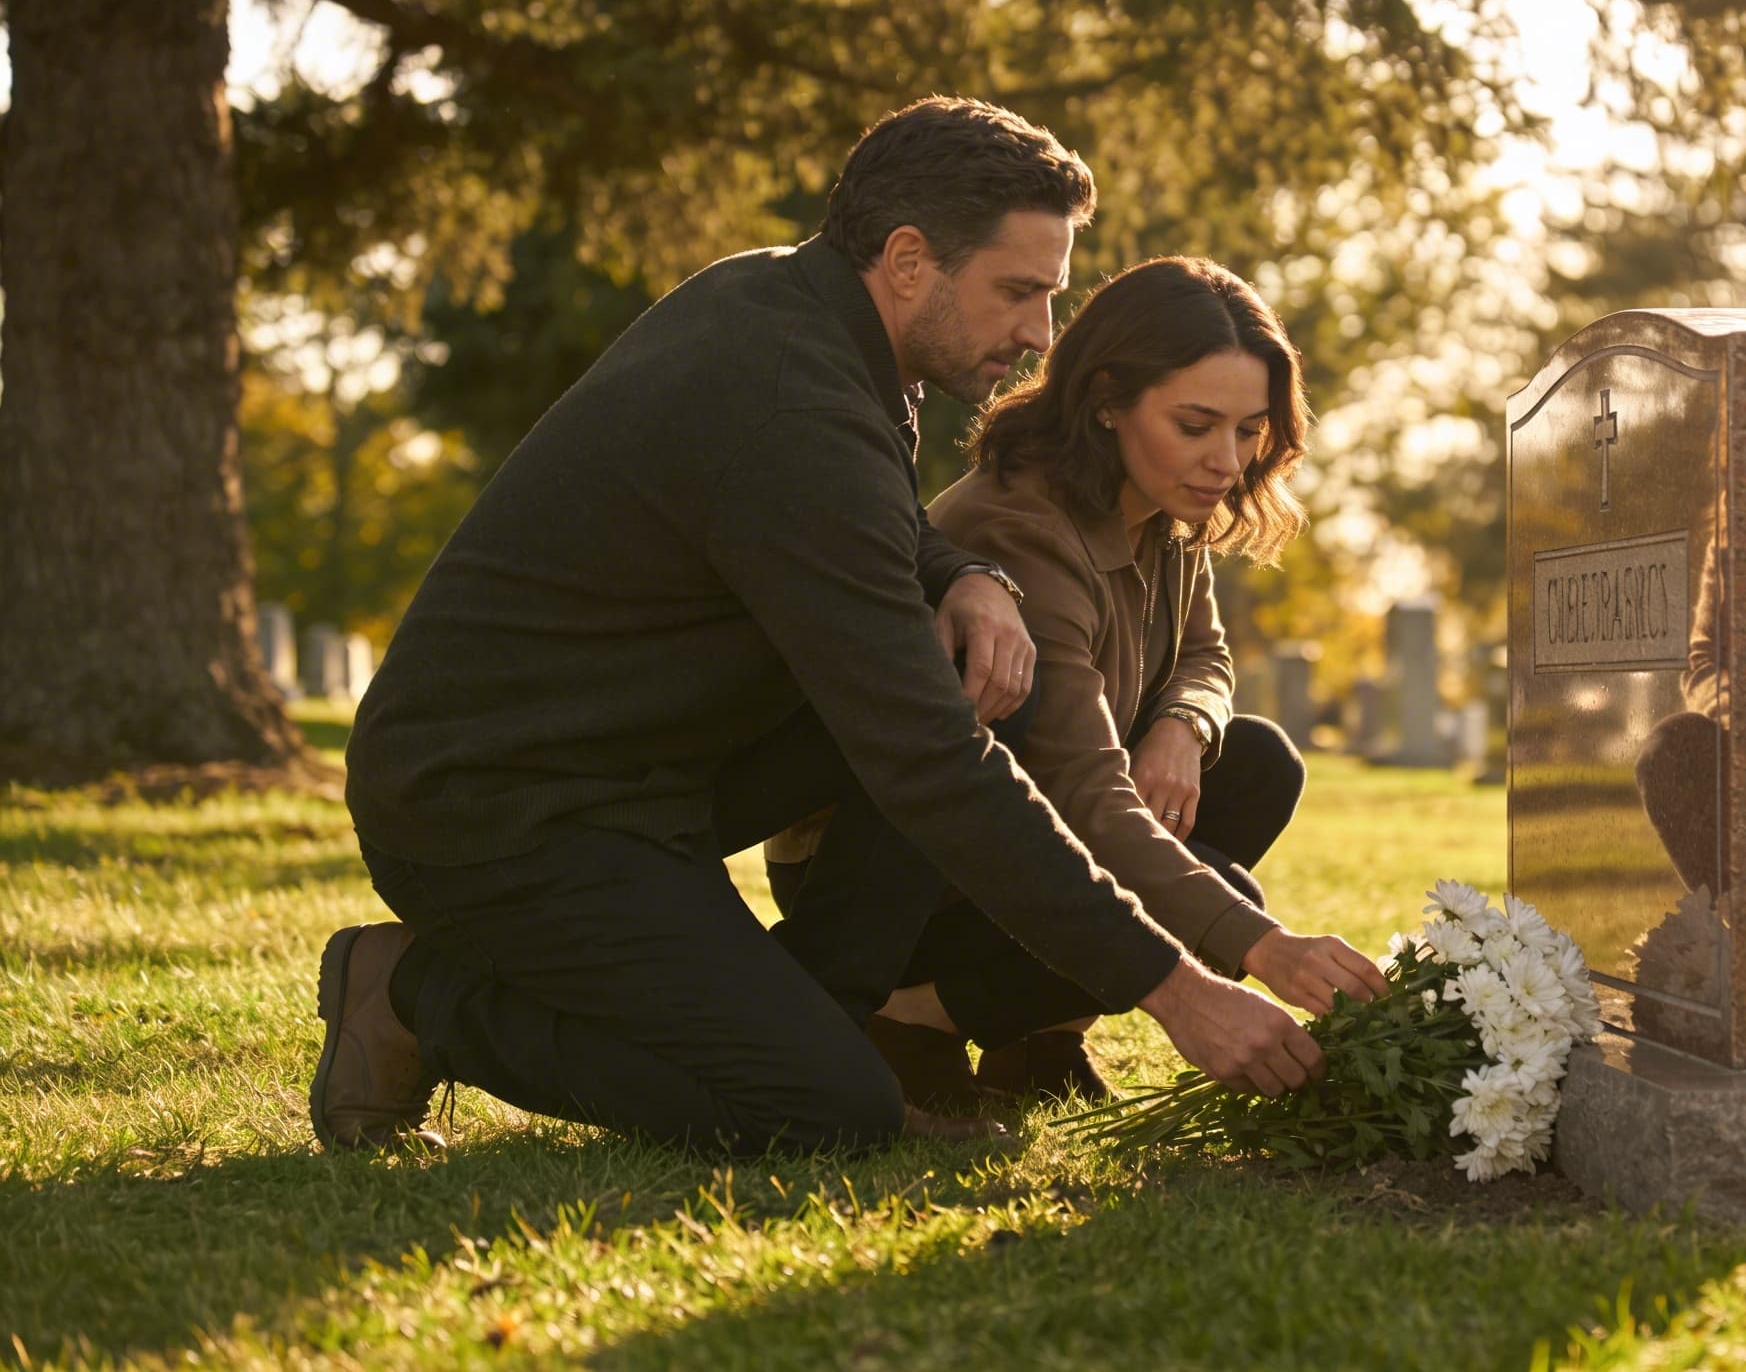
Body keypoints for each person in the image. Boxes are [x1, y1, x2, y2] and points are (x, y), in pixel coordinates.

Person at [313, 97, 1324, 1157]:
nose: (1038, 334)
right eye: (1018, 292)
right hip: (501, 805)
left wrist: (962, 570)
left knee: (975, 668)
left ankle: (836, 1004)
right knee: (817, 1106)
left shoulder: (802, 312)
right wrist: (1178, 989)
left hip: (653, 769)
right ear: (905, 257)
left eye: (1049, 294)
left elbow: (855, 515)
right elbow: (928, 756)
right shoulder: (793, 394)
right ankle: (414, 992)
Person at [765, 259, 1385, 1110]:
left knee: (1254, 761)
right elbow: (1084, 795)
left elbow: (1206, 658)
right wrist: (1264, 948)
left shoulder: (1166, 507)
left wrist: (1181, 727)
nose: (1227, 462)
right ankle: (908, 1016)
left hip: (1027, 830)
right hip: (891, 874)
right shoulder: (1020, 524)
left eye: (1248, 430)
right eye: (1196, 424)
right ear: (1106, 401)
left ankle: (1038, 1041)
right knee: (1224, 899)